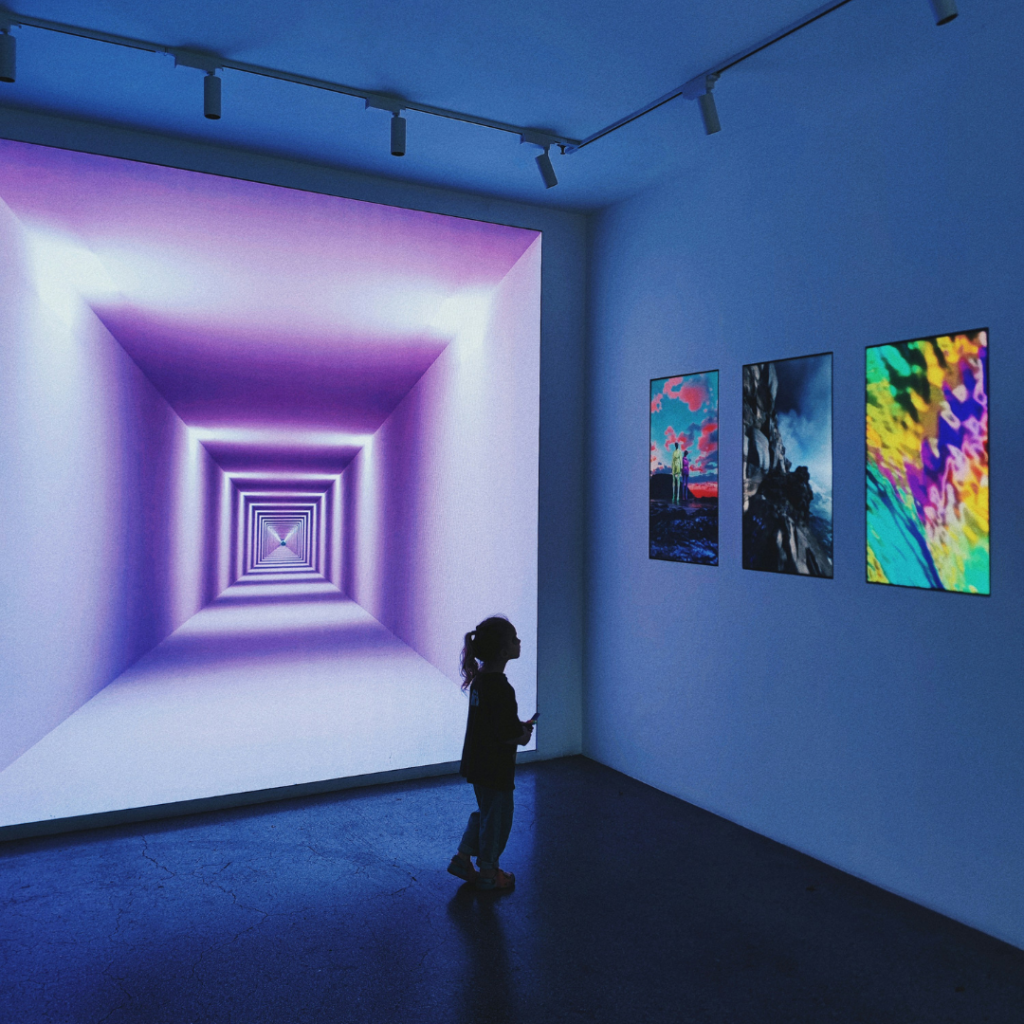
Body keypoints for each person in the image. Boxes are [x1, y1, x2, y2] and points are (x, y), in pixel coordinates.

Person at [448, 616, 534, 891]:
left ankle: (463, 858)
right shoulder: (501, 687)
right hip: (496, 767)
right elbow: (507, 734)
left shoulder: (481, 681)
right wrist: (523, 735)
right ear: (503, 651)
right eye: (514, 639)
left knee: (486, 813)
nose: (519, 642)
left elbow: (492, 721)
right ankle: (489, 873)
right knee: (498, 819)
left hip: (478, 763)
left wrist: (515, 727)